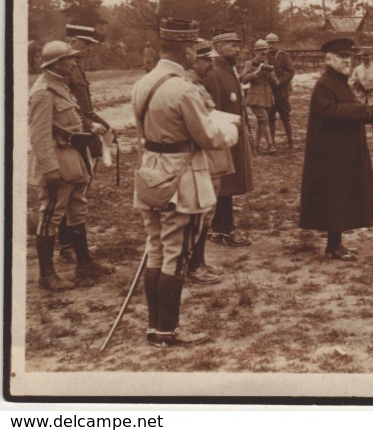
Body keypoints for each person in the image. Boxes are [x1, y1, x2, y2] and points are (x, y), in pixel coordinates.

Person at [132, 18, 238, 346]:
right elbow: (208, 136)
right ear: (189, 50)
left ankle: (155, 328)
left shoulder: (143, 83)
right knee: (175, 254)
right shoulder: (183, 89)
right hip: (181, 181)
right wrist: (232, 130)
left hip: (151, 175)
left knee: (156, 250)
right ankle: (168, 331)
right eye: (194, 49)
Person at [29, 41, 115, 291]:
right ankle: (46, 274)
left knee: (77, 210)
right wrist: (49, 168)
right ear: (55, 63)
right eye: (69, 59)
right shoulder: (43, 92)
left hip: (73, 158)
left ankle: (85, 264)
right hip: (57, 160)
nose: (74, 63)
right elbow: (39, 135)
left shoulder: (60, 88)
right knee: (50, 215)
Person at [299, 37, 373, 261]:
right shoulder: (325, 83)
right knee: (335, 196)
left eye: (348, 57)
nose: (347, 61)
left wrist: (365, 112)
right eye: (342, 57)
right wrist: (363, 112)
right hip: (331, 153)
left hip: (342, 150)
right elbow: (329, 112)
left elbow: (344, 107)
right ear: (329, 59)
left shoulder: (340, 80)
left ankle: (336, 244)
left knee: (340, 196)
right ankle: (334, 246)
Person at [185, 40, 232, 285]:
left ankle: (199, 261)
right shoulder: (188, 87)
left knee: (208, 211)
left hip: (211, 154)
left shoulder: (199, 85)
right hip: (202, 154)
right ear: (194, 60)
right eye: (206, 60)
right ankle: (192, 264)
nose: (211, 64)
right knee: (201, 212)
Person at [204, 28, 254, 247]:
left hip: (234, 136)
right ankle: (223, 229)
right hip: (224, 139)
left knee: (229, 187)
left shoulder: (230, 70)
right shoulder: (214, 73)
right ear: (219, 47)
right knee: (224, 186)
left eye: (237, 45)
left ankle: (221, 226)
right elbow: (213, 114)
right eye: (232, 45)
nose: (237, 49)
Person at [349, 47, 373, 152]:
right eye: (363, 55)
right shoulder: (357, 69)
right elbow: (351, 83)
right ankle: (361, 145)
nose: (365, 58)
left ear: (372, 55)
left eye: (367, 55)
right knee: (360, 123)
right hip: (361, 99)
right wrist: (355, 82)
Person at [242, 38, 278, 154]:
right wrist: (257, 71)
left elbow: (275, 81)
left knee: (261, 122)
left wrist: (272, 72)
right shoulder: (250, 64)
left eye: (265, 50)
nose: (263, 53)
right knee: (264, 120)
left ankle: (255, 147)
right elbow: (243, 80)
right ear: (255, 52)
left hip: (267, 96)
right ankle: (270, 146)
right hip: (255, 97)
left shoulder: (268, 63)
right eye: (260, 50)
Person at [264, 31, 295, 150]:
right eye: (269, 43)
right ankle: (272, 143)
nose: (270, 46)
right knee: (270, 117)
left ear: (277, 43)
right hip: (270, 92)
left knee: (285, 116)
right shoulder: (265, 56)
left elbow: (291, 72)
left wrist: (281, 81)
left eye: (273, 43)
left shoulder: (283, 56)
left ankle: (291, 142)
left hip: (282, 91)